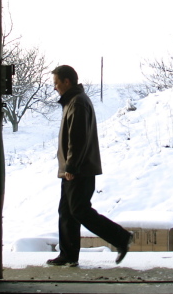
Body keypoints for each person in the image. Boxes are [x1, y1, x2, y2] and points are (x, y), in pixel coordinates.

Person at [46, 64, 134, 267]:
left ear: (67, 82)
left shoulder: (77, 103)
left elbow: (77, 139)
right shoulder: (74, 101)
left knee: (79, 210)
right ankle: (68, 255)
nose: (55, 87)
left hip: (79, 170)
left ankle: (121, 238)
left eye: (56, 83)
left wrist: (71, 167)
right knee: (67, 212)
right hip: (75, 169)